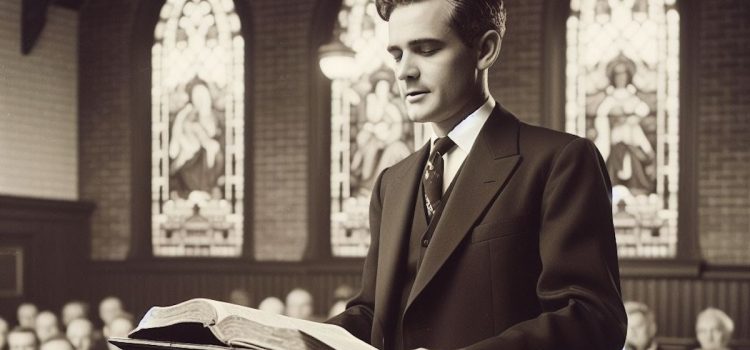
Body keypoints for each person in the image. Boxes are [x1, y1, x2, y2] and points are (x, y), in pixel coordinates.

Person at [326, 0, 627, 349]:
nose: (404, 72)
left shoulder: (560, 162)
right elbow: (372, 313)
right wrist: (289, 339)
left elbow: (592, 320)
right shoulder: (390, 182)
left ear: (485, 50)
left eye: (426, 50)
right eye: (397, 55)